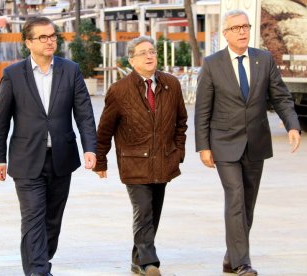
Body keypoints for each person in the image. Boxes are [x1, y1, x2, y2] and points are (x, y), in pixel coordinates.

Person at [195, 9, 301, 276]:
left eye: (246, 26)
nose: (243, 31)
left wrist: (292, 125)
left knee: (247, 206)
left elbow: (281, 97)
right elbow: (203, 110)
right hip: (224, 144)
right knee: (236, 199)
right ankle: (243, 263)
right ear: (226, 34)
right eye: (236, 28)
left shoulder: (263, 60)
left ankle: (232, 257)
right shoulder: (212, 64)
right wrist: (203, 146)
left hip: (256, 143)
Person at [0, 16, 97, 276]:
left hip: (61, 157)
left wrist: (90, 148)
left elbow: (84, 114)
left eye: (53, 36)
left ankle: (39, 263)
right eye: (43, 37)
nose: (50, 41)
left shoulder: (70, 70)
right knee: (33, 218)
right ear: (28, 42)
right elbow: (1, 120)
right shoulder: (13, 74)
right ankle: (39, 271)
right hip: (26, 159)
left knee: (52, 220)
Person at [93, 36, 188, 276]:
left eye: (152, 51)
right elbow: (105, 129)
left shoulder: (172, 85)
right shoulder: (119, 90)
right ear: (132, 60)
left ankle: (138, 260)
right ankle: (149, 261)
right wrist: (100, 160)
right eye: (143, 53)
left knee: (154, 211)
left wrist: (178, 152)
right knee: (143, 209)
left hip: (163, 160)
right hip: (134, 162)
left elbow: (181, 122)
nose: (149, 56)